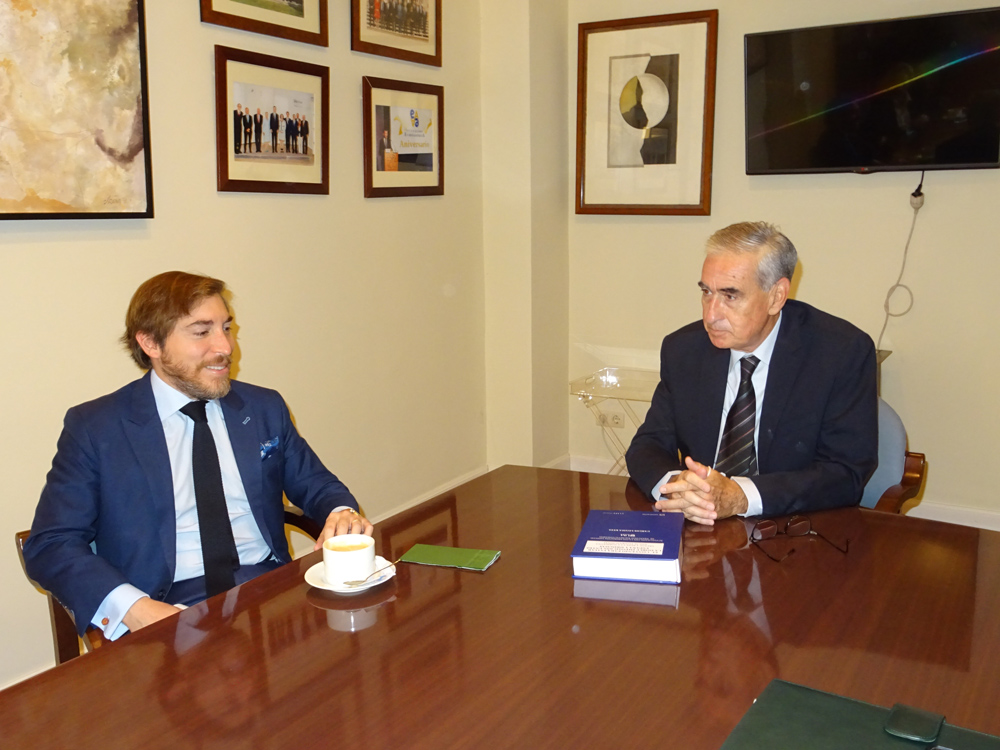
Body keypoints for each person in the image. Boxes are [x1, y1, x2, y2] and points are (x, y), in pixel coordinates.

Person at [24, 271, 372, 641]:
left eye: (226, 327)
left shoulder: (262, 406)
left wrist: (339, 513)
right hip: (163, 603)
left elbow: (315, 483)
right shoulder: (97, 427)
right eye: (201, 331)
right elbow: (51, 545)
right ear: (150, 343)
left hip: (268, 592)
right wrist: (136, 610)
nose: (225, 347)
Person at [625, 221, 877, 524]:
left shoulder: (840, 352)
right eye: (706, 292)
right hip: (701, 526)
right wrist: (676, 486)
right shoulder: (684, 350)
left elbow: (845, 472)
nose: (711, 314)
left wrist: (741, 495)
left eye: (730, 296)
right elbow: (648, 445)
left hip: (793, 529)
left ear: (776, 297)